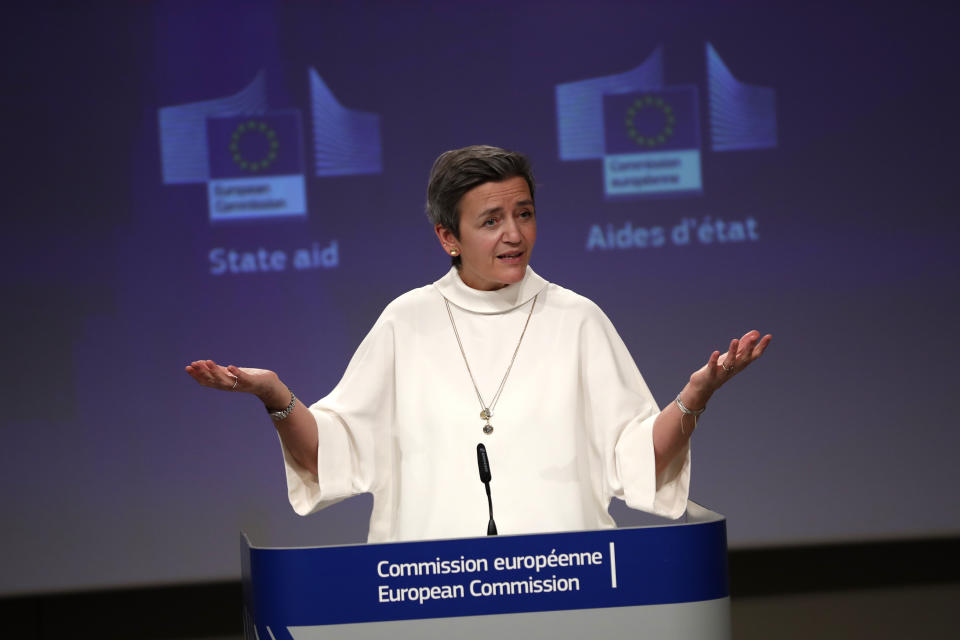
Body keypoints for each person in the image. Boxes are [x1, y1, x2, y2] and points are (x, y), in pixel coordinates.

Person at [186, 145, 771, 543]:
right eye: (491, 220)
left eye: (524, 213)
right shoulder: (406, 322)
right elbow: (331, 458)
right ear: (449, 237)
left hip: (565, 593)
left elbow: (639, 460)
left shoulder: (578, 319)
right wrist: (277, 397)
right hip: (432, 595)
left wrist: (694, 399)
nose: (514, 234)